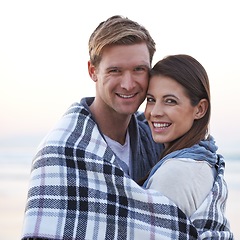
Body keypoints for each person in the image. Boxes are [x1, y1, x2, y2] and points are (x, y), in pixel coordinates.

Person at [22, 15, 200, 240]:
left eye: (138, 69)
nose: (128, 84)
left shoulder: (155, 140)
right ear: (93, 71)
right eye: (115, 70)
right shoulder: (60, 150)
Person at [142, 54, 233, 238]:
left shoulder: (176, 172)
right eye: (151, 99)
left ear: (199, 109)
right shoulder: (203, 158)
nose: (155, 112)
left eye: (170, 101)